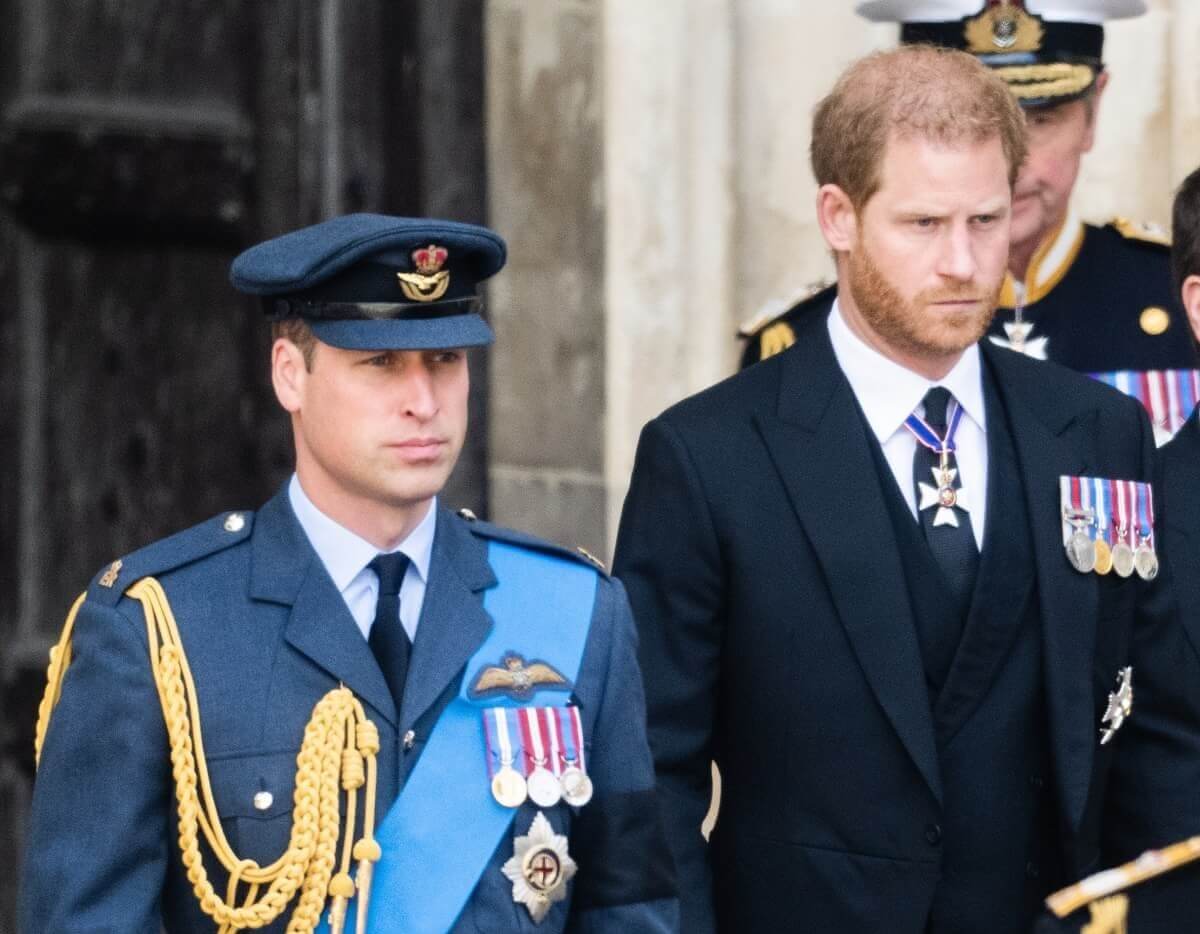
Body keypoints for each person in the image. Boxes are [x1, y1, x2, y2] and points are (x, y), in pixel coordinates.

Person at [615, 46, 1200, 934]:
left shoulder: (1098, 432)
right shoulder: (708, 458)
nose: (965, 263)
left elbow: (1154, 735)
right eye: (924, 225)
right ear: (838, 217)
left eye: (985, 220)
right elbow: (650, 774)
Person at [20, 215, 678, 933]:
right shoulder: (156, 633)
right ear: (289, 375)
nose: (424, 402)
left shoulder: (575, 611)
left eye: (446, 361)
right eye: (382, 363)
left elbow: (630, 909)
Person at [741, 1, 1198, 444]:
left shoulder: (1176, 299)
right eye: (959, 133)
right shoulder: (804, 337)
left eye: (1040, 119)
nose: (1012, 168)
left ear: (1093, 111)